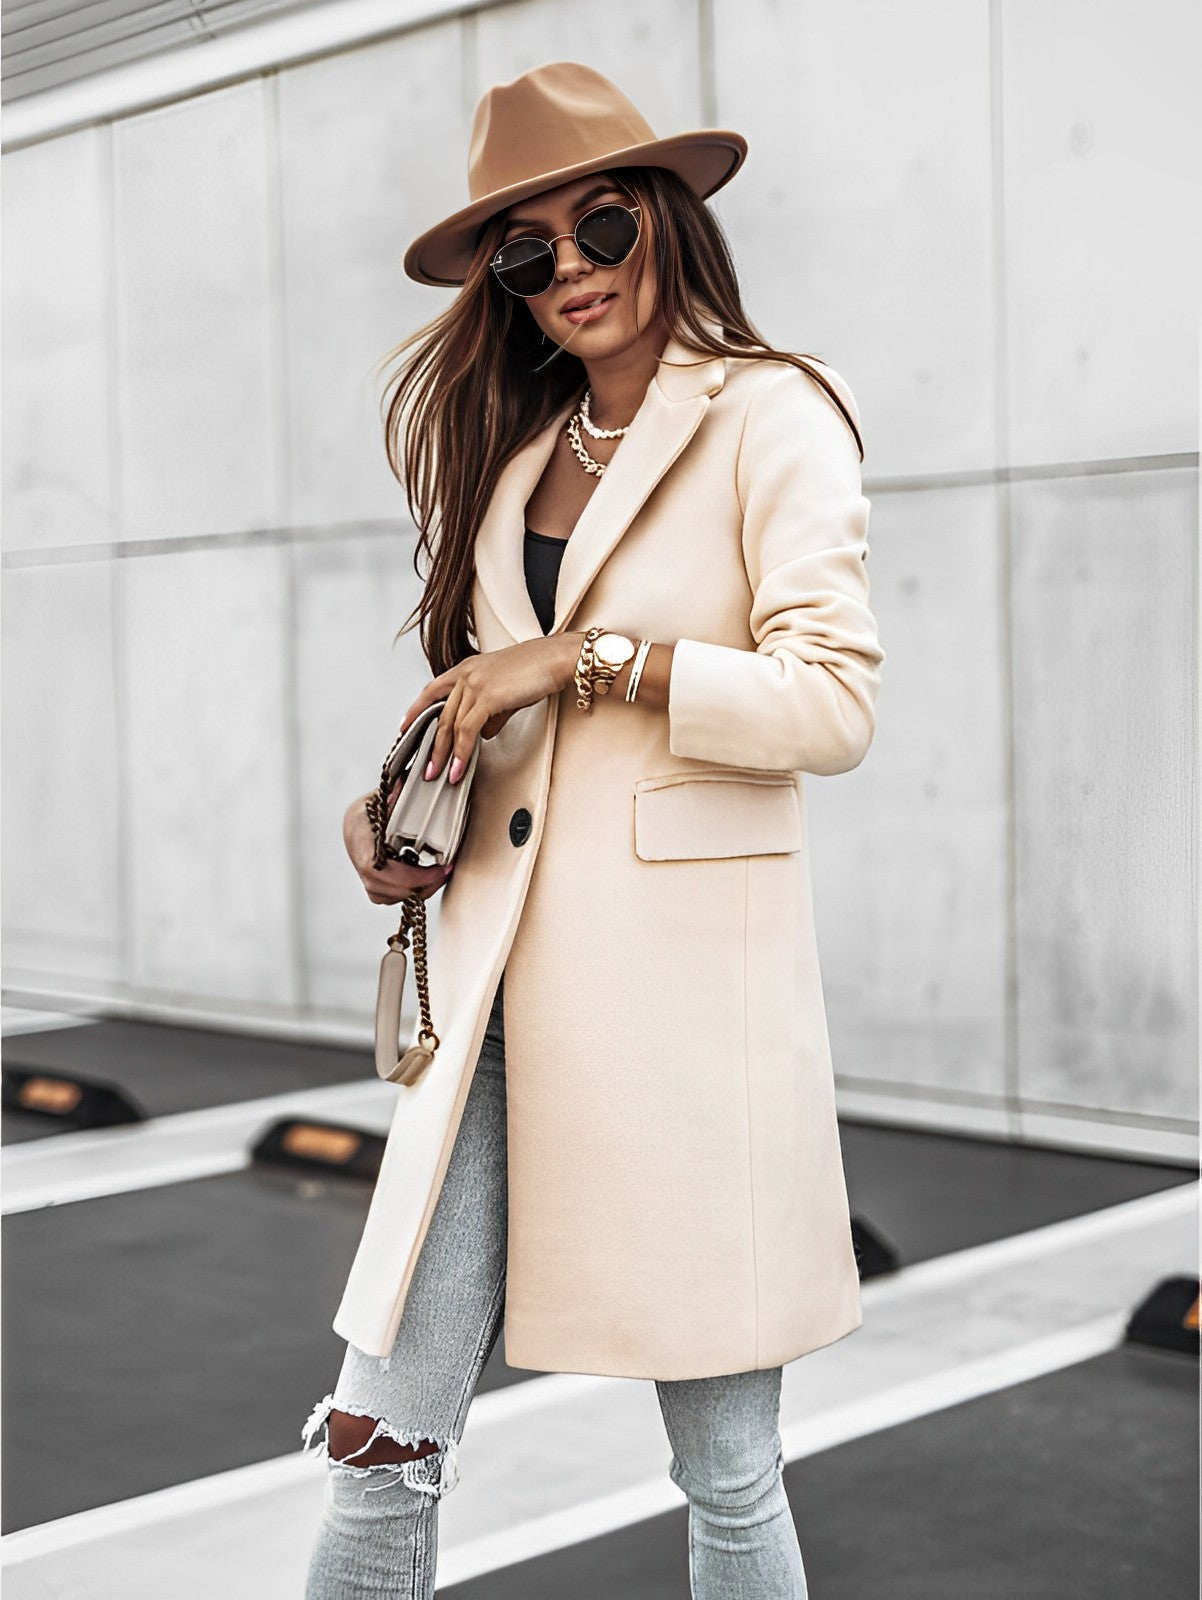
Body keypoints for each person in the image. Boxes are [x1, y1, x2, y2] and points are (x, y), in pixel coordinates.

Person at [302, 59, 884, 1600]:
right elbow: (492, 716)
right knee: (379, 1436)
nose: (567, 268)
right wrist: (391, 815)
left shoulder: (775, 416)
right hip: (494, 1010)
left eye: (601, 225)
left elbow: (830, 708)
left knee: (725, 1470)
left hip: (686, 1036)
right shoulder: (513, 458)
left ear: (668, 225)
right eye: (524, 250)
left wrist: (590, 658)